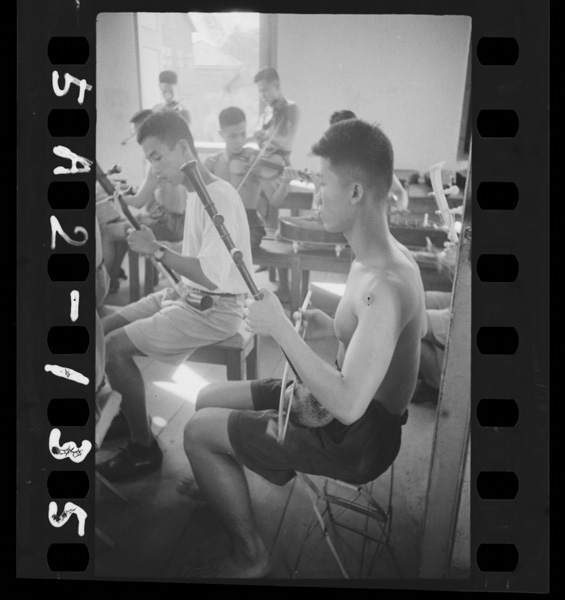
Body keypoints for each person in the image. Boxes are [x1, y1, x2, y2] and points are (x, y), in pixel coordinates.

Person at [180, 118, 427, 578]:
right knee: (207, 397)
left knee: (196, 431)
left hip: (354, 441)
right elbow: (385, 340)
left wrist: (280, 328)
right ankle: (227, 477)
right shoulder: (386, 257)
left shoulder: (384, 284)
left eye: (322, 183)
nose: (315, 196)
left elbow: (349, 404)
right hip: (335, 409)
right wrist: (332, 326)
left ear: (355, 192)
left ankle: (251, 556)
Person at [96, 110, 253, 483]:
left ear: (183, 148)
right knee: (103, 329)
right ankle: (129, 414)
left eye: (157, 157)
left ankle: (143, 449)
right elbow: (199, 257)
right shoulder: (197, 191)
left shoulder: (218, 197)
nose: (154, 170)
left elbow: (212, 275)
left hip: (217, 310)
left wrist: (157, 250)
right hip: (188, 294)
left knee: (114, 348)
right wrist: (159, 246)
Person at [205, 106, 290, 250]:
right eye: (233, 136)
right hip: (219, 224)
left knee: (231, 247)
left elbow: (275, 201)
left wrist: (285, 182)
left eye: (243, 134)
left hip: (249, 225)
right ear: (221, 134)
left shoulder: (255, 160)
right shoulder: (212, 162)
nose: (239, 141)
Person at [252, 68, 301, 302]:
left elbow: (285, 140)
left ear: (276, 85)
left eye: (265, 90)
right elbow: (265, 140)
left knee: (275, 225)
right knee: (261, 216)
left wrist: (265, 138)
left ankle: (284, 285)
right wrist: (259, 138)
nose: (263, 95)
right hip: (264, 165)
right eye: (260, 92)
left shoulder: (291, 108)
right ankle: (268, 262)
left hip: (278, 167)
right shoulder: (268, 111)